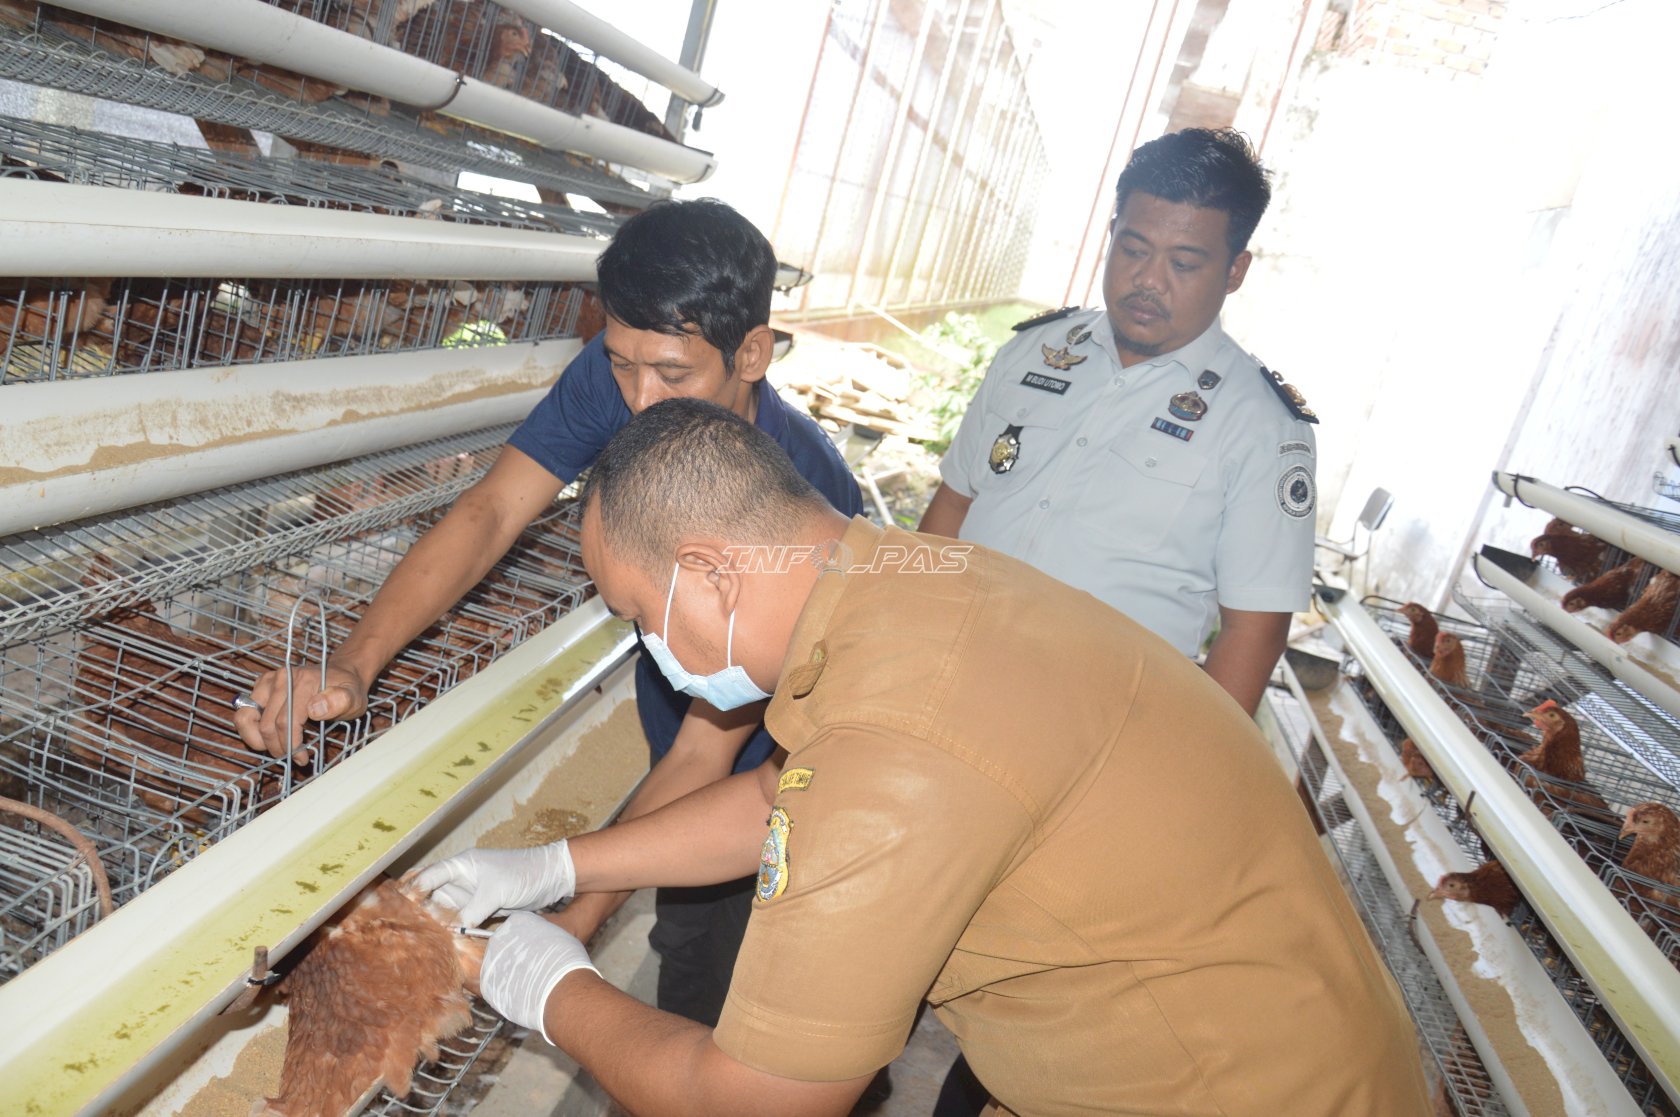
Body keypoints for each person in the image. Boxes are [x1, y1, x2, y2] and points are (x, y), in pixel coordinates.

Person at [416, 398, 1434, 1117]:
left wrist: (553, 987)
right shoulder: (913, 585)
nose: (647, 641)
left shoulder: (898, 746)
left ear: (713, 577)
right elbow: (782, 797)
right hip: (1262, 1041)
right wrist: (566, 866)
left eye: (639, 612)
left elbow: (756, 1098)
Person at [232, 199, 864, 1033]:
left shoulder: (799, 500)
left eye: (671, 375)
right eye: (622, 365)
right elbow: (492, 511)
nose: (640, 400)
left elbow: (704, 755)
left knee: (755, 975)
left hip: (785, 761)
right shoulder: (627, 374)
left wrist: (566, 932)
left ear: (752, 352)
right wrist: (354, 662)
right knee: (685, 930)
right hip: (686, 717)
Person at [920, 127, 1318, 718]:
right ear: (1110, 236)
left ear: (1235, 271)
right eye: (1133, 250)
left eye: (1184, 263)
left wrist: (1178, 769)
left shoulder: (1262, 426)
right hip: (940, 672)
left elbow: (1253, 631)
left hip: (1088, 729)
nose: (1149, 281)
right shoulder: (1037, 351)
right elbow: (954, 505)